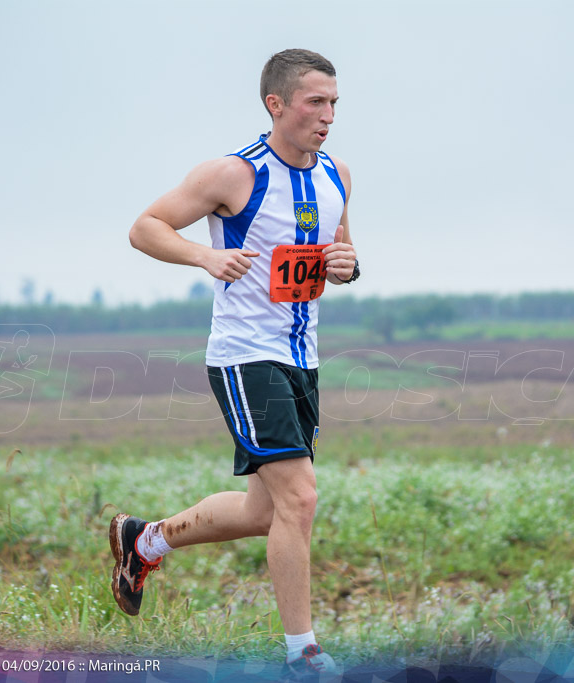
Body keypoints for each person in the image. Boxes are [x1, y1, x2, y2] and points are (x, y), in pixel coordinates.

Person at [110, 48, 359, 678]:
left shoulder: (338, 176)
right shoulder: (234, 174)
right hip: (247, 356)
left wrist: (348, 266)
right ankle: (302, 652)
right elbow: (146, 226)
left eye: (334, 103)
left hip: (302, 358)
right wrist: (203, 257)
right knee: (300, 500)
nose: (328, 115)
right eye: (315, 102)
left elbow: (344, 252)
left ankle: (146, 540)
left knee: (265, 511)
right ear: (276, 104)